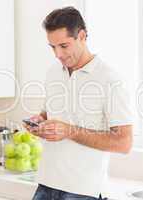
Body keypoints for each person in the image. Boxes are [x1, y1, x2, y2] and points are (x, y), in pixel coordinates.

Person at [24, 6, 133, 200]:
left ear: (82, 36)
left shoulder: (109, 79)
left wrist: (68, 131)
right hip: (46, 184)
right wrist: (39, 122)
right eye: (52, 47)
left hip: (83, 191)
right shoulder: (53, 73)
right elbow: (50, 114)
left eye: (64, 46)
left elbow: (124, 142)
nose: (57, 54)